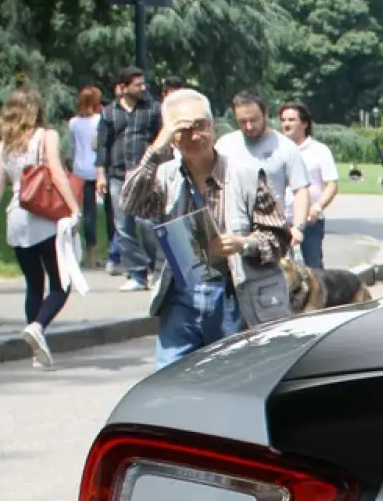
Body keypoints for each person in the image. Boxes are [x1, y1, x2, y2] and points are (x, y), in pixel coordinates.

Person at [117, 88, 292, 369]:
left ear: (212, 127)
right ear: (171, 134)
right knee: (168, 381)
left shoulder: (246, 175)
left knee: (230, 380)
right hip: (181, 294)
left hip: (233, 293)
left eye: (202, 126)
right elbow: (129, 203)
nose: (195, 135)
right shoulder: (164, 176)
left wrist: (242, 244)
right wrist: (155, 150)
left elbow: (279, 239)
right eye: (184, 129)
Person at [0, 85, 80, 368]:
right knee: (62, 284)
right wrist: (74, 209)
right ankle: (38, 327)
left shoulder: (5, 144)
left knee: (34, 285)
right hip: (43, 218)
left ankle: (37, 351)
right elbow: (57, 174)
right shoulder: (46, 136)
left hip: (16, 220)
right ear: (36, 110)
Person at [94, 66, 162, 289]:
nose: (143, 88)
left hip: (145, 175)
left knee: (146, 223)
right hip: (117, 176)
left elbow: (160, 140)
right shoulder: (108, 113)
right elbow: (103, 146)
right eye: (138, 84)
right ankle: (136, 274)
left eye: (144, 84)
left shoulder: (152, 110)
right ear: (123, 88)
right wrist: (101, 175)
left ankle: (156, 269)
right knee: (123, 226)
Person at [217, 90, 310, 241]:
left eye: (254, 120)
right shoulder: (224, 145)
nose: (248, 126)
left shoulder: (285, 148)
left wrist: (298, 227)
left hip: (271, 233)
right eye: (242, 121)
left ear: (265, 113)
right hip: (231, 232)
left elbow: (301, 190)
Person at [278, 100, 338, 268]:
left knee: (313, 267)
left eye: (291, 120)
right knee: (281, 267)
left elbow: (331, 185)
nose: (286, 124)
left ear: (304, 123)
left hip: (310, 221)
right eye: (283, 120)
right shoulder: (276, 150)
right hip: (281, 221)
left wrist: (317, 208)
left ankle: (320, 294)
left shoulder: (319, 151)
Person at [67, 85, 103, 263]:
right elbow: (98, 144)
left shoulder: (73, 122)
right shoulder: (99, 120)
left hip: (79, 169)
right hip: (96, 169)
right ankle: (93, 254)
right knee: (92, 212)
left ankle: (77, 249)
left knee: (80, 212)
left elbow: (72, 147)